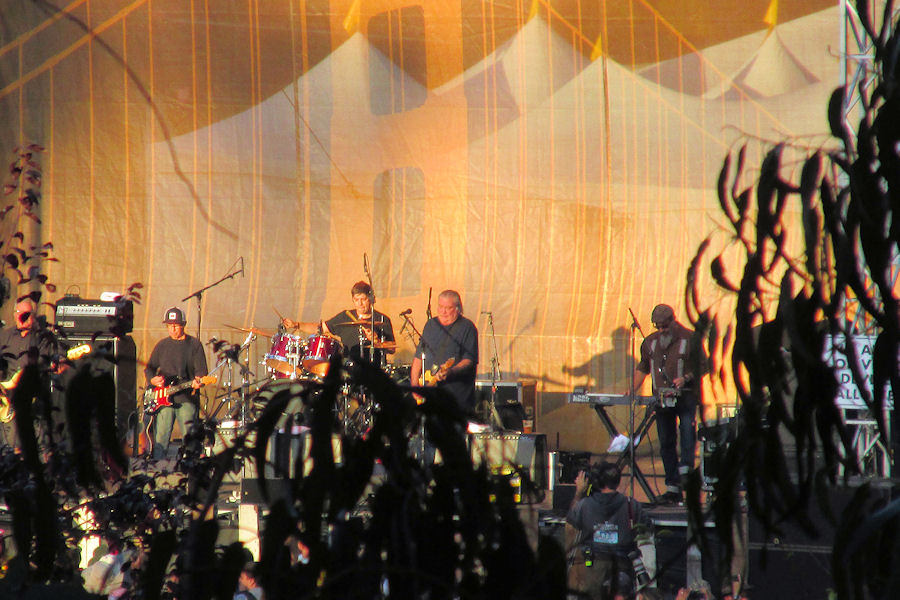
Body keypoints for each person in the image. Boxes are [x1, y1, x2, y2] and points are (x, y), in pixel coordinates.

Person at [632, 304, 708, 504]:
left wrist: (686, 378)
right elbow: (643, 367)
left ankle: (686, 478)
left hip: (686, 397)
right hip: (661, 401)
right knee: (666, 442)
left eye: (664, 327)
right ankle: (673, 488)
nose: (661, 331)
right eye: (658, 328)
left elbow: (705, 365)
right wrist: (631, 390)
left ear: (673, 321)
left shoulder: (691, 338)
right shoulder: (650, 342)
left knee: (687, 434)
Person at [566, 461, 653, 600]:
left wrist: (579, 492)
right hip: (622, 566)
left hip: (593, 567)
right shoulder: (631, 504)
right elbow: (647, 528)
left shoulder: (584, 505)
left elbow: (571, 524)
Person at [144, 306, 208, 460]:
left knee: (189, 436)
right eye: (169, 326)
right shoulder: (162, 345)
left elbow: (201, 372)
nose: (172, 329)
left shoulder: (194, 345)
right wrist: (152, 379)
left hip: (186, 398)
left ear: (183, 325)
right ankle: (158, 470)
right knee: (161, 437)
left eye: (175, 325)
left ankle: (191, 469)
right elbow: (149, 368)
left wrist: (198, 382)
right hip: (162, 399)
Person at [0, 297, 59, 446]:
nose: (22, 317)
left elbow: (49, 363)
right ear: (14, 314)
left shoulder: (42, 338)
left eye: (26, 314)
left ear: (32, 316)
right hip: (7, 400)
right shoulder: (4, 336)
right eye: (19, 313)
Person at [408, 290, 478, 414]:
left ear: (458, 308)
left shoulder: (467, 327)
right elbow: (418, 357)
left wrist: (450, 371)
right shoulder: (430, 325)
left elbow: (469, 360)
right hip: (432, 395)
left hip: (456, 397)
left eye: (448, 308)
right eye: (440, 307)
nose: (443, 312)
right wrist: (414, 385)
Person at [322, 281, 395, 366]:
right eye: (356, 300)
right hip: (349, 368)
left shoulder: (382, 319)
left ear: (371, 299)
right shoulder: (345, 316)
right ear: (353, 300)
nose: (360, 303)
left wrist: (376, 341)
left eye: (363, 299)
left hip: (374, 369)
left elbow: (392, 349)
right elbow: (321, 328)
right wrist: (302, 325)